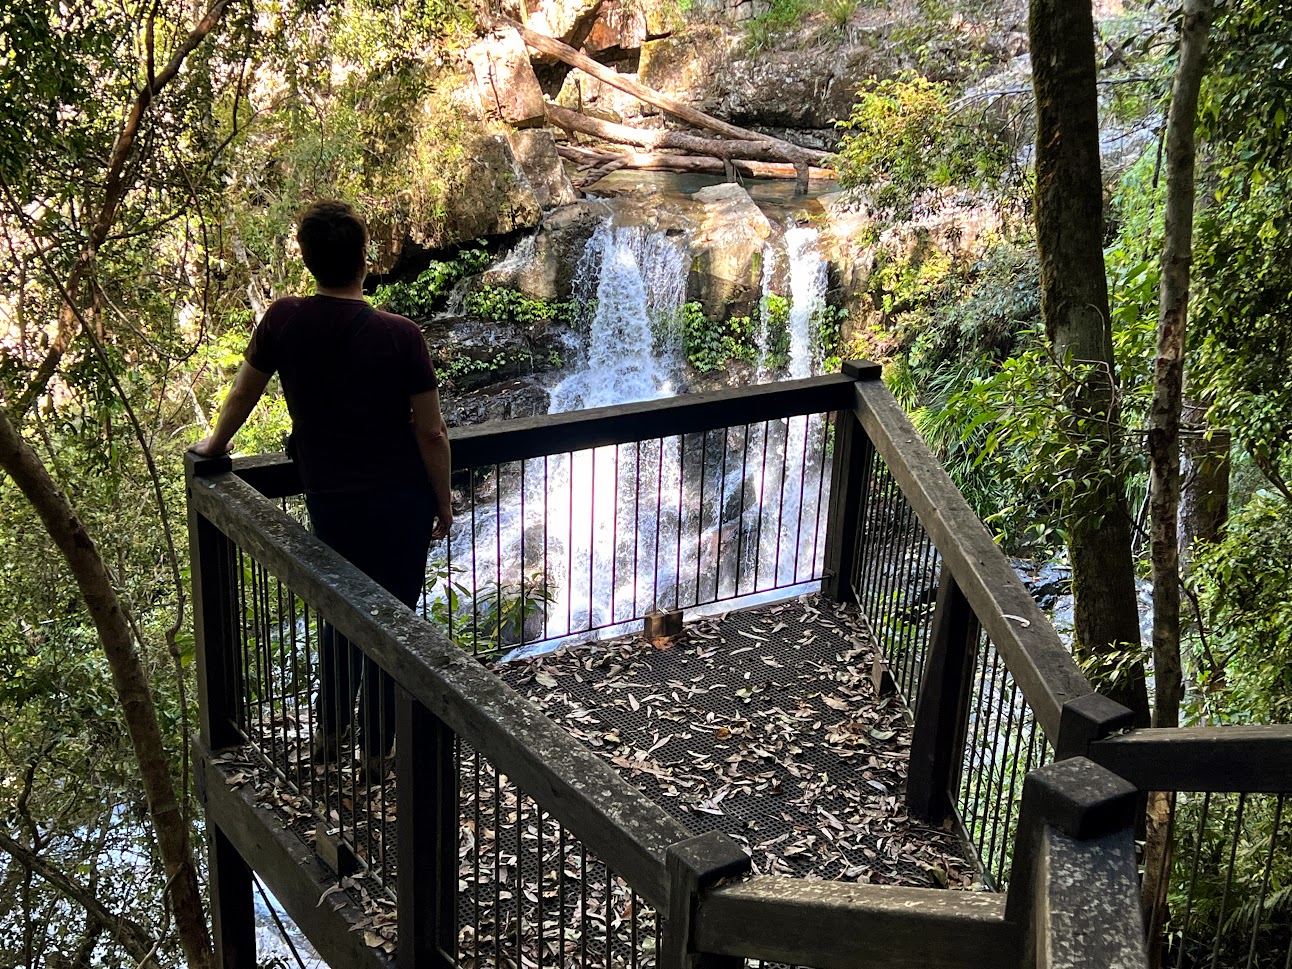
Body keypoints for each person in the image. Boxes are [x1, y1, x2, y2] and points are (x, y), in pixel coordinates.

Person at [191, 199, 453, 782]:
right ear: (365, 259)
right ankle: (379, 755)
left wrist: (212, 450)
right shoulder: (401, 336)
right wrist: (443, 499)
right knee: (394, 621)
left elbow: (242, 395)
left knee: (340, 618)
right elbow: (431, 431)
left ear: (308, 260)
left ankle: (331, 739)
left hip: (331, 501)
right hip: (400, 504)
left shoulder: (283, 319)